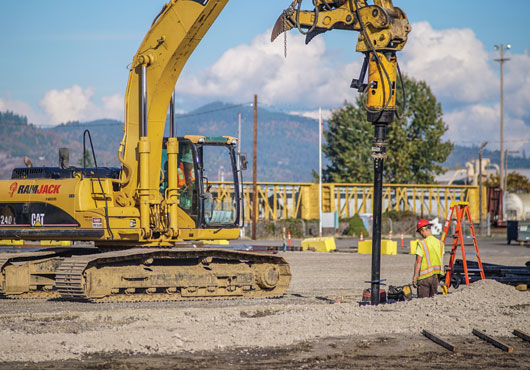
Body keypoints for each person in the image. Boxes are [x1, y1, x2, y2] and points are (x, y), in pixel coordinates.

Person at [412, 219, 445, 298]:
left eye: (420, 232)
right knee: (432, 301)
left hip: (424, 278)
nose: (421, 234)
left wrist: (415, 278)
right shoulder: (440, 243)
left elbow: (418, 262)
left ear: (423, 230)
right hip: (436, 277)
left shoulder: (422, 244)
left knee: (422, 302)